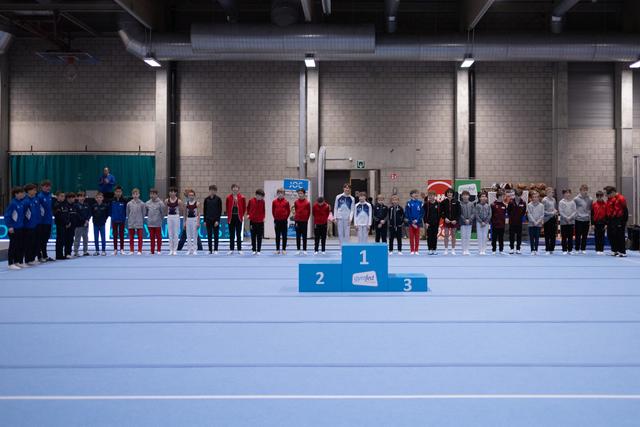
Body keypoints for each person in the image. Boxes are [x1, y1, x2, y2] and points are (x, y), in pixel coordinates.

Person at [4, 186, 26, 270]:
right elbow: (7, 216)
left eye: (23, 193)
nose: (22, 194)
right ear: (16, 194)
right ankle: (10, 263)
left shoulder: (21, 203)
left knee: (19, 245)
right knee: (13, 245)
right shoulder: (13, 203)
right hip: (14, 228)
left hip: (21, 227)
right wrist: (9, 226)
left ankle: (17, 261)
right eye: (20, 193)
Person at [605, 186, 628, 257]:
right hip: (613, 219)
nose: (608, 196)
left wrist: (623, 221)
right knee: (613, 235)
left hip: (620, 219)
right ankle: (615, 250)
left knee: (620, 236)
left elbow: (625, 210)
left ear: (613, 192)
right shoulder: (612, 199)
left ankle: (622, 252)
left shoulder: (621, 198)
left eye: (609, 194)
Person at [22, 183, 42, 265]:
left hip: (36, 224)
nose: (35, 191)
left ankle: (32, 258)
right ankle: (27, 259)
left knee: (35, 242)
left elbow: (38, 211)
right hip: (28, 226)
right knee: (28, 243)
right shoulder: (25, 201)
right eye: (33, 190)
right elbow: (23, 214)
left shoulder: (36, 199)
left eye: (35, 189)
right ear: (29, 191)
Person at [37, 180, 54, 262]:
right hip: (41, 222)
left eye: (49, 186)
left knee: (46, 239)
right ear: (42, 187)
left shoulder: (50, 196)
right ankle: (40, 256)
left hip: (48, 221)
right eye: (46, 186)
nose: (48, 188)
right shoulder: (40, 197)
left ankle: (45, 256)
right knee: (41, 239)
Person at [226, 184, 246, 255]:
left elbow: (244, 207)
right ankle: (231, 249)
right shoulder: (228, 197)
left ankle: (239, 249)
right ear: (232, 189)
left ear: (238, 189)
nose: (235, 189)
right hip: (231, 218)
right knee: (231, 234)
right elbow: (227, 207)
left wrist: (241, 215)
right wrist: (229, 216)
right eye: (233, 188)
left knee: (238, 234)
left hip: (238, 217)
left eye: (236, 188)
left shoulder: (242, 197)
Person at [203, 185, 223, 255]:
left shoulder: (218, 199)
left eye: (214, 190)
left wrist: (217, 220)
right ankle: (210, 250)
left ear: (216, 191)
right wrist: (204, 220)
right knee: (209, 235)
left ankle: (216, 249)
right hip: (208, 220)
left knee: (216, 235)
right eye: (211, 190)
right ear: (209, 191)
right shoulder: (206, 199)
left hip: (215, 220)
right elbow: (204, 210)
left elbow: (219, 211)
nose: (212, 191)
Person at [440, 188, 460, 255]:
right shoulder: (443, 202)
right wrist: (444, 218)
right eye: (448, 192)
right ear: (446, 194)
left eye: (450, 192)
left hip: (454, 221)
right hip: (446, 221)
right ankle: (446, 249)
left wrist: (456, 220)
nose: (449, 194)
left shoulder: (457, 202)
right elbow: (441, 212)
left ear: (452, 194)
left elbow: (459, 212)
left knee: (453, 235)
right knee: (446, 235)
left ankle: (453, 249)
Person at [146, 189, 166, 255]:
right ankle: (152, 251)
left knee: (158, 237)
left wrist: (160, 219)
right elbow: (145, 212)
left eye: (154, 194)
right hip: (150, 223)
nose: (152, 195)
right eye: (151, 194)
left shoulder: (161, 203)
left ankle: (159, 250)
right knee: (152, 238)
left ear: (156, 195)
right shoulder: (147, 203)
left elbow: (163, 213)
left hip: (157, 223)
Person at [507, 189, 527, 255]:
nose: (517, 197)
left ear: (521, 195)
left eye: (519, 196)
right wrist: (512, 217)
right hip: (512, 222)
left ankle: (518, 249)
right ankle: (511, 248)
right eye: (516, 195)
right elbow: (508, 211)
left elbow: (524, 212)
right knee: (511, 236)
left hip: (519, 222)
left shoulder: (523, 203)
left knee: (519, 236)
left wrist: (519, 217)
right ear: (515, 195)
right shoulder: (510, 202)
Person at [574, 184, 592, 254]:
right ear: (580, 190)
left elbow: (590, 209)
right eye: (584, 190)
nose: (585, 191)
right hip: (578, 219)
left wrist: (589, 218)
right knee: (578, 235)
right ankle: (577, 249)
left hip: (586, 219)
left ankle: (583, 248)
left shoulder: (590, 199)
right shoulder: (576, 199)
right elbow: (573, 208)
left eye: (586, 190)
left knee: (585, 235)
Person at [126, 188, 146, 255]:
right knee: (131, 238)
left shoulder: (142, 204)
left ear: (139, 195)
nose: (135, 195)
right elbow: (127, 213)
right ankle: (131, 250)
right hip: (131, 222)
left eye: (136, 194)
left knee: (140, 237)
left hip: (139, 222)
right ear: (132, 195)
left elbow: (144, 213)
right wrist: (130, 219)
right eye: (134, 194)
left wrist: (140, 219)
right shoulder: (129, 204)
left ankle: (139, 250)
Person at [247, 189, 266, 255]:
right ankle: (253, 249)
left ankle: (259, 250)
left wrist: (263, 217)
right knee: (253, 236)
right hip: (253, 221)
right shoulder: (251, 201)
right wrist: (248, 215)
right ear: (257, 195)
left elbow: (263, 210)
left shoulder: (263, 201)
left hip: (260, 221)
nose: (261, 198)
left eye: (262, 197)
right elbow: (248, 208)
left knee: (259, 236)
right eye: (261, 196)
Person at [165, 187, 183, 256]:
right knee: (170, 234)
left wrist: (178, 216)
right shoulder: (166, 201)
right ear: (169, 193)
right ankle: (171, 249)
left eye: (173, 192)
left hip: (176, 217)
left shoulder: (179, 201)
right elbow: (166, 209)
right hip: (169, 216)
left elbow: (181, 209)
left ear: (176, 193)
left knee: (175, 234)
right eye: (170, 192)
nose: (172, 193)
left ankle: (175, 250)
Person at [272, 188, 290, 255]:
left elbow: (288, 211)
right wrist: (276, 218)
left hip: (284, 221)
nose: (280, 194)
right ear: (277, 194)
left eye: (281, 193)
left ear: (284, 194)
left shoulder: (286, 202)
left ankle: (284, 249)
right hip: (277, 221)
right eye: (279, 193)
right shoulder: (274, 202)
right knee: (277, 235)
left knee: (284, 235)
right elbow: (273, 211)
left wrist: (285, 217)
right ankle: (277, 249)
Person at [110, 186, 127, 255]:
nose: (118, 193)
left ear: (121, 192)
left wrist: (123, 217)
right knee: (115, 235)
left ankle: (122, 249)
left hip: (122, 220)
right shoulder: (112, 201)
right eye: (117, 192)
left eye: (119, 192)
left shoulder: (124, 201)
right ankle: (115, 249)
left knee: (122, 235)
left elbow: (126, 210)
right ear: (114, 192)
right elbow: (110, 210)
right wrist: (112, 216)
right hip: (114, 220)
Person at [73, 191, 91, 257]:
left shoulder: (87, 205)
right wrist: (84, 220)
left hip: (86, 225)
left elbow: (89, 213)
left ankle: (85, 251)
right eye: (80, 196)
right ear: (77, 197)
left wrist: (87, 220)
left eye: (83, 196)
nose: (82, 198)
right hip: (78, 224)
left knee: (85, 238)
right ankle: (76, 251)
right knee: (77, 238)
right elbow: (77, 215)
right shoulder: (76, 205)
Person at [405, 189, 423, 255]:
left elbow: (421, 213)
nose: (416, 194)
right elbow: (407, 213)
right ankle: (412, 250)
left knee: (417, 237)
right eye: (414, 193)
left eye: (417, 193)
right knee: (411, 237)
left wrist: (417, 220)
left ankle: (416, 250)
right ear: (411, 195)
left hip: (417, 223)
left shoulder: (420, 203)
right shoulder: (409, 203)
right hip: (411, 223)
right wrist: (412, 222)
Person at [559, 189, 577, 255]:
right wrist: (566, 218)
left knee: (570, 236)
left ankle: (570, 249)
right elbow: (561, 211)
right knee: (564, 236)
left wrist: (570, 217)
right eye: (566, 193)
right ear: (563, 194)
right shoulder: (561, 202)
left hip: (571, 222)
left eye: (569, 193)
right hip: (564, 222)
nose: (568, 194)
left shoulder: (573, 202)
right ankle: (564, 249)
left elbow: (574, 211)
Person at [91, 192, 109, 256]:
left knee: (103, 237)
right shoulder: (93, 206)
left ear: (102, 198)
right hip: (95, 224)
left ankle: (103, 250)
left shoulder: (105, 205)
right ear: (95, 198)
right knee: (96, 238)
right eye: (98, 197)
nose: (99, 199)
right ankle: (97, 250)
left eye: (100, 197)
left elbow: (107, 214)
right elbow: (92, 214)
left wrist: (104, 220)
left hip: (102, 224)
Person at [53, 192, 70, 260]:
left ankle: (62, 254)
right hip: (60, 224)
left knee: (63, 240)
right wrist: (66, 222)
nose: (63, 197)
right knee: (59, 240)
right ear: (57, 197)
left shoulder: (65, 204)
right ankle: (58, 255)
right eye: (61, 196)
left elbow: (67, 214)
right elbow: (59, 216)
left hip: (65, 224)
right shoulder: (56, 205)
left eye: (63, 196)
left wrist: (68, 222)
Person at [294, 188, 311, 255]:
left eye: (301, 193)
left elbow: (309, 212)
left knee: (304, 235)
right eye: (299, 193)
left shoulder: (307, 202)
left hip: (304, 221)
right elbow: (296, 210)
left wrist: (306, 219)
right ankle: (298, 249)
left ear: (304, 194)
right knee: (298, 236)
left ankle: (304, 249)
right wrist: (297, 218)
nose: (300, 195)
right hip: (297, 221)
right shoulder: (296, 202)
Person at [527, 191, 544, 255]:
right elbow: (529, 214)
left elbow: (542, 215)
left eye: (536, 197)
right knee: (532, 237)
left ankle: (536, 249)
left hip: (538, 224)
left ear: (538, 198)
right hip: (531, 224)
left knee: (537, 237)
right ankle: (532, 250)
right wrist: (534, 221)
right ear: (531, 198)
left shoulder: (541, 205)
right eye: (534, 197)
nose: (535, 198)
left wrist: (538, 222)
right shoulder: (529, 205)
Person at [542, 187, 558, 255]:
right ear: (547, 193)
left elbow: (554, 208)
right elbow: (543, 211)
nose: (552, 193)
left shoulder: (554, 199)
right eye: (550, 192)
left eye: (552, 192)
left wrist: (555, 211)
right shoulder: (544, 200)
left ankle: (552, 248)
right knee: (547, 235)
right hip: (547, 219)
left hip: (553, 219)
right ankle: (547, 249)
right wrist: (551, 213)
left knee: (553, 235)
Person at [183, 189, 200, 256]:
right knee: (188, 235)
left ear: (194, 196)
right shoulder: (186, 204)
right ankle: (189, 250)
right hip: (188, 219)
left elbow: (198, 213)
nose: (191, 196)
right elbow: (184, 214)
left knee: (195, 235)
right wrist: (184, 222)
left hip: (195, 219)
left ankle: (195, 250)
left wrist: (198, 222)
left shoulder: (197, 203)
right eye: (190, 195)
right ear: (188, 196)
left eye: (192, 195)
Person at [459, 190, 475, 256]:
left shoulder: (471, 204)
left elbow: (473, 213)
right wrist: (464, 219)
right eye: (464, 195)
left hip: (470, 222)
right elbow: (460, 213)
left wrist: (470, 219)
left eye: (466, 195)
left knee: (468, 236)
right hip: (463, 222)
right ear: (462, 196)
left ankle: (467, 249)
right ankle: (463, 250)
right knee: (463, 236)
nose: (465, 196)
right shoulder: (460, 204)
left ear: (469, 196)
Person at [491, 190, 507, 255]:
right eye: (503, 196)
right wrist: (493, 222)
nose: (504, 197)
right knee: (494, 238)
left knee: (501, 238)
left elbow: (504, 215)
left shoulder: (504, 205)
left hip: (502, 225)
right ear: (499, 196)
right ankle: (494, 250)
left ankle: (501, 250)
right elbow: (491, 215)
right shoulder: (493, 205)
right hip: (495, 225)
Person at [423, 191, 440, 255]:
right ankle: (430, 249)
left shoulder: (438, 204)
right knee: (429, 237)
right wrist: (425, 222)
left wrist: (438, 222)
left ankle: (434, 249)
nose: (431, 197)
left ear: (435, 196)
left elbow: (439, 214)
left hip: (435, 223)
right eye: (429, 195)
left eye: (432, 195)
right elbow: (424, 214)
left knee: (434, 237)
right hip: (428, 223)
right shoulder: (426, 204)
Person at [591, 190, 607, 255]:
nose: (599, 198)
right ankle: (597, 249)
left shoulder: (605, 204)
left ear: (602, 196)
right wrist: (592, 224)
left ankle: (601, 249)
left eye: (601, 196)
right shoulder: (594, 204)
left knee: (602, 236)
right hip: (596, 222)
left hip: (603, 222)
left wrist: (606, 224)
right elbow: (592, 214)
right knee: (597, 236)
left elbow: (607, 215)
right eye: (598, 196)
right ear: (596, 197)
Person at [64, 193, 78, 259]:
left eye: (74, 198)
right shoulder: (65, 206)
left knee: (71, 239)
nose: (74, 199)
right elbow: (65, 216)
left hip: (73, 225)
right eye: (72, 198)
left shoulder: (75, 206)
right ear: (68, 198)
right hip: (67, 225)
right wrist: (67, 223)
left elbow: (76, 215)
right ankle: (66, 253)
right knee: (67, 239)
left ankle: (69, 252)